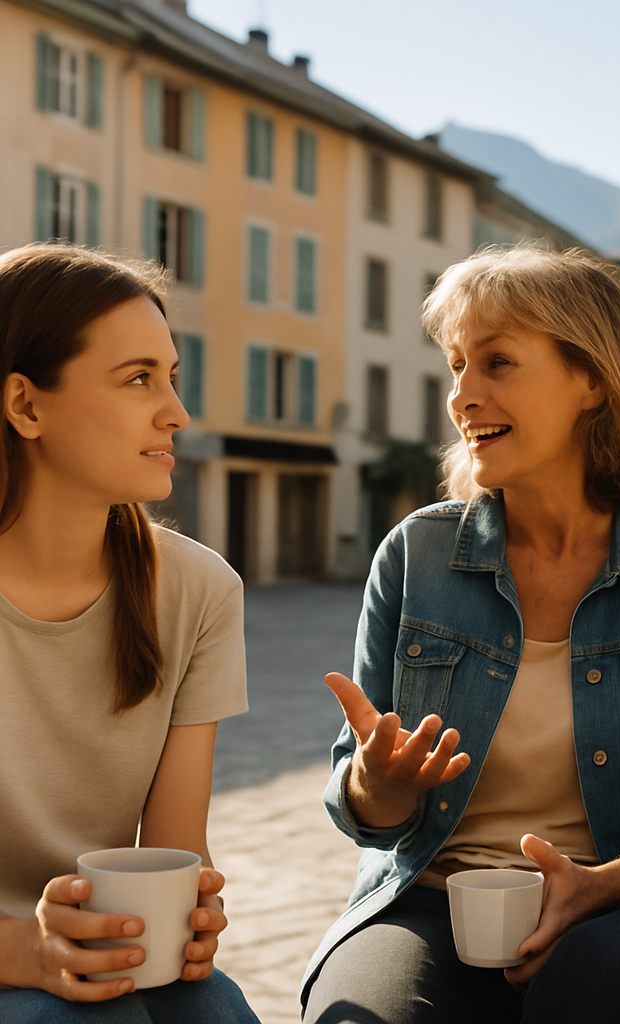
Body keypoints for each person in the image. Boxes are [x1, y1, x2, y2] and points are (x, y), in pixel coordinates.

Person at [301, 244, 620, 1024]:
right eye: (456, 365)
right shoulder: (416, 553)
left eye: (497, 363)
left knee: (602, 988)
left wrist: (614, 879)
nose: (462, 395)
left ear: (593, 379)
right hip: (430, 900)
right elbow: (362, 803)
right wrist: (377, 787)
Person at [0, 244, 259, 1023]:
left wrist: (193, 916)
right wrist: (22, 950)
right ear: (27, 406)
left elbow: (176, 845)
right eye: (138, 378)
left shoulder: (200, 590)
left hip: (104, 950)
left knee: (213, 1009)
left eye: (171, 377)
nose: (175, 412)